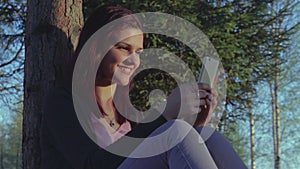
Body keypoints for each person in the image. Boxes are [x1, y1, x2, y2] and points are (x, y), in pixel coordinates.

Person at [40, 5, 247, 169]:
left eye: (138, 51)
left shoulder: (128, 115)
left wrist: (195, 123)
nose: (133, 60)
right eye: (123, 48)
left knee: (206, 136)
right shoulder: (63, 102)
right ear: (95, 48)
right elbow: (92, 164)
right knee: (176, 132)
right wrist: (164, 115)